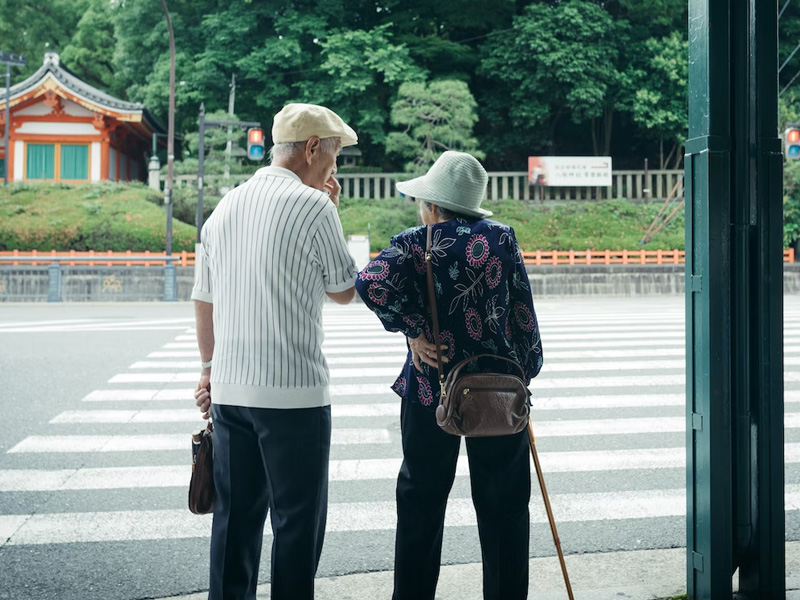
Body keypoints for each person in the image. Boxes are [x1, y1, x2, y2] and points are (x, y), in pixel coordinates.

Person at [355, 151, 543, 600]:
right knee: (505, 510)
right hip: (499, 391)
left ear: (433, 206)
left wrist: (413, 330)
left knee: (421, 502)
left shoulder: (414, 242)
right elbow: (522, 311)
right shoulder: (501, 238)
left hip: (431, 386)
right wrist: (526, 370)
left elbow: (369, 283)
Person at [192, 103, 359, 600]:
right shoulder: (315, 206)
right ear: (311, 148)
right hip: (293, 395)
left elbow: (204, 297)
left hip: (230, 392)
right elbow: (343, 290)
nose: (333, 170)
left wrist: (207, 369)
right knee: (296, 524)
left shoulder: (225, 206)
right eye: (333, 158)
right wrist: (332, 210)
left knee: (234, 520)